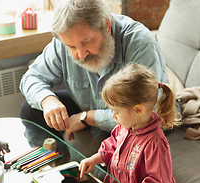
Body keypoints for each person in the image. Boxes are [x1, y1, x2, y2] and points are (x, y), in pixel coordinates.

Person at [19, 0, 171, 157]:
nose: (81, 54)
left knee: (110, 165)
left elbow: (147, 112)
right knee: (30, 110)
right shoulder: (63, 43)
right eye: (72, 47)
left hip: (131, 118)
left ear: (106, 25)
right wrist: (48, 100)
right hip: (92, 106)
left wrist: (87, 117)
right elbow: (31, 78)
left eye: (87, 42)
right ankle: (56, 163)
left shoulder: (139, 43)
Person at [79, 63, 181, 183]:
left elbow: (159, 182)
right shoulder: (125, 126)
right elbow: (113, 144)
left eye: (115, 111)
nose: (113, 116)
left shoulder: (155, 143)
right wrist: (95, 158)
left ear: (138, 110)